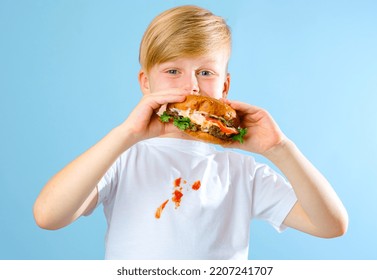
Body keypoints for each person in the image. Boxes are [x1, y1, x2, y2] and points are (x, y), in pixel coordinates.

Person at [33, 5, 348, 259]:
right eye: (173, 71)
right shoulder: (121, 158)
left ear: (224, 86)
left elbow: (331, 226)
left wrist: (280, 148)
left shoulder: (242, 172)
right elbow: (48, 216)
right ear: (146, 83)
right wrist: (125, 134)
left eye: (206, 72)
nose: (192, 85)